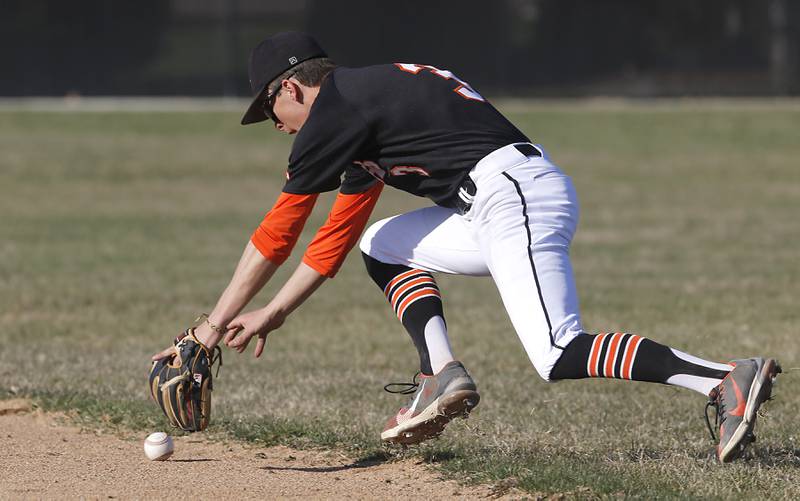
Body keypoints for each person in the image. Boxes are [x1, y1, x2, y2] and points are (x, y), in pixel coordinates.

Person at [152, 32, 780, 462]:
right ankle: (440, 373)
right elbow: (333, 242)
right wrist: (275, 312)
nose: (277, 129)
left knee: (557, 351)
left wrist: (206, 331)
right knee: (385, 244)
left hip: (513, 195)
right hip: (495, 200)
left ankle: (724, 378)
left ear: (290, 88)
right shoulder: (361, 107)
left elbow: (279, 232)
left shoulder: (335, 110)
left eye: (270, 112)